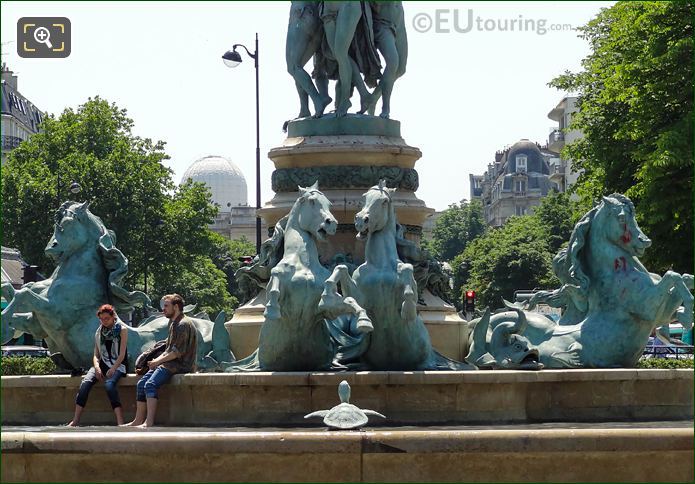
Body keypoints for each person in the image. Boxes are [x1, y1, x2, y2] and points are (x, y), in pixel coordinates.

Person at [124, 294, 198, 428]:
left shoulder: (183, 324)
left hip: (180, 365)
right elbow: (168, 349)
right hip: (169, 363)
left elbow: (176, 353)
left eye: (166, 306)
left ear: (176, 307)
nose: (163, 309)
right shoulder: (174, 323)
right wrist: (154, 361)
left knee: (150, 384)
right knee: (141, 383)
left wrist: (157, 362)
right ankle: (138, 420)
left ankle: (149, 422)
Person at [67, 304, 128, 426]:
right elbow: (95, 355)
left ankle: (120, 421)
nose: (104, 321)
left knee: (109, 385)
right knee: (85, 383)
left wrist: (113, 368)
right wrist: (97, 367)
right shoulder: (99, 331)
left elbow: (122, 355)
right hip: (102, 364)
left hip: (118, 364)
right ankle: (75, 420)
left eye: (107, 318)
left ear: (113, 317)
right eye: (101, 319)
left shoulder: (122, 330)